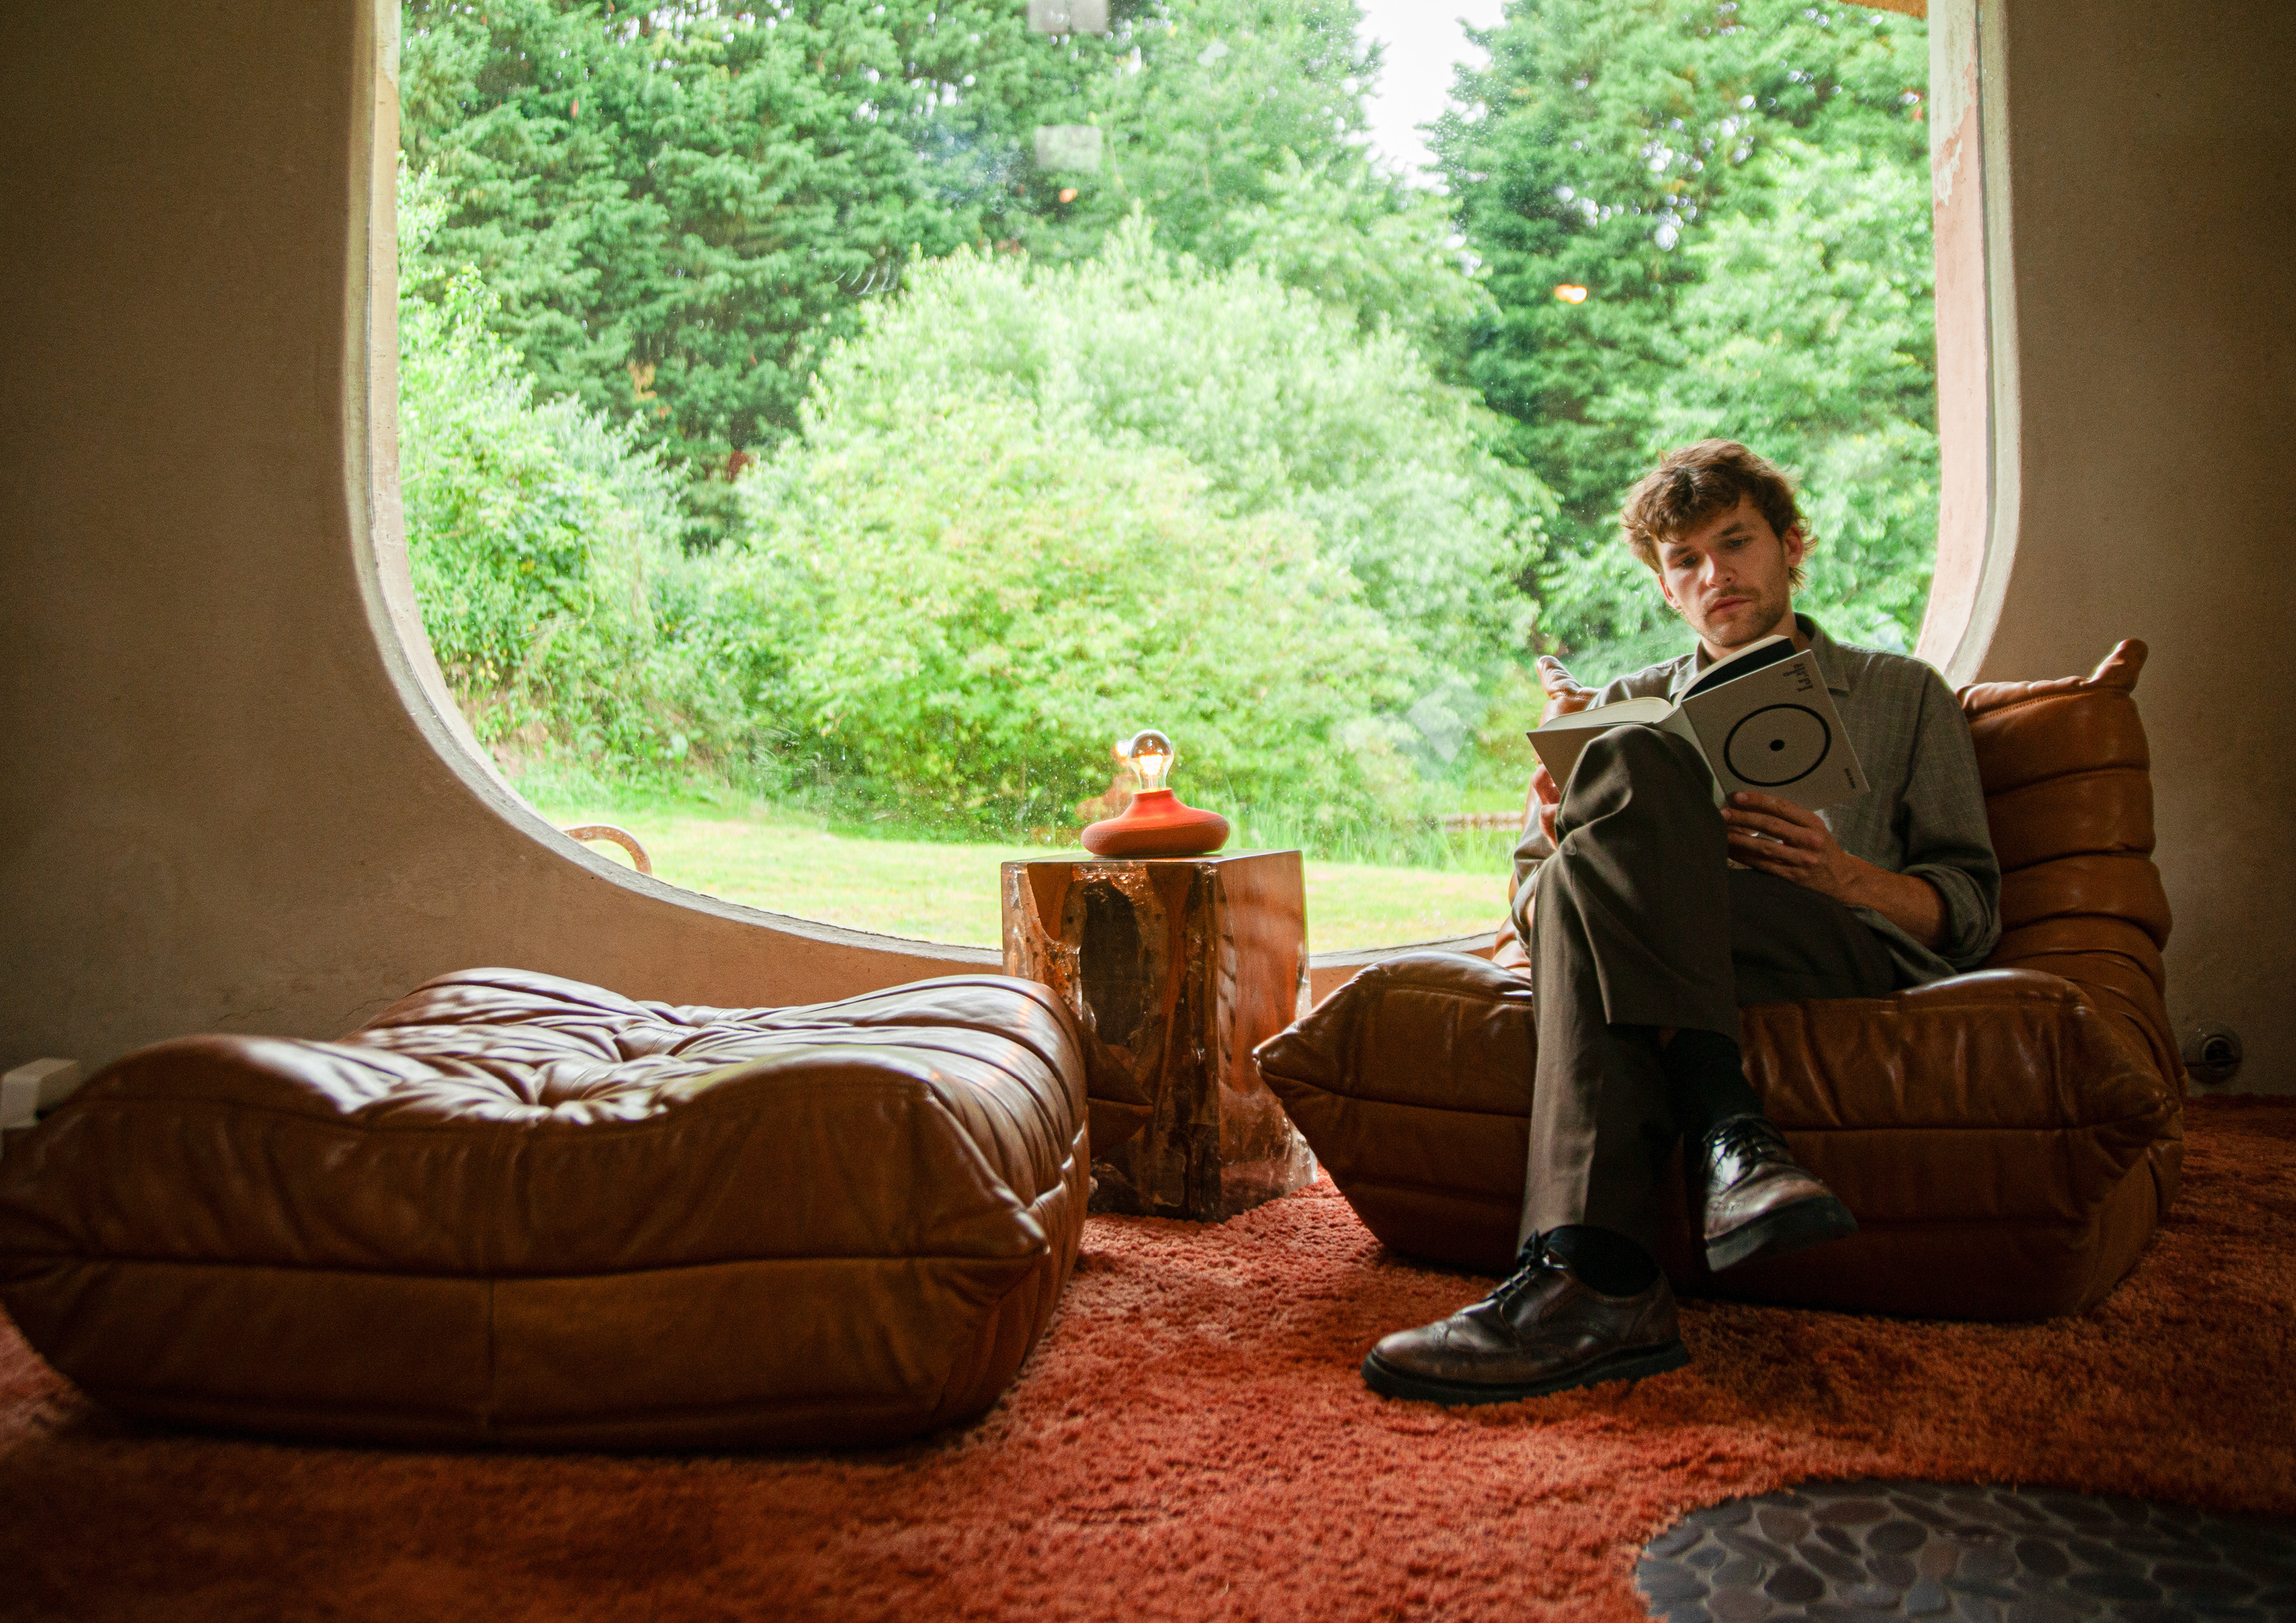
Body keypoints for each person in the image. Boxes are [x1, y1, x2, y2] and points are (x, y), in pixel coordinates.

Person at [1361, 439, 2001, 1406]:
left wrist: (1845, 876)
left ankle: (1594, 1269)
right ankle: (1720, 1151)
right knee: (1621, 779)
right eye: (1686, 560)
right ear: (1665, 588)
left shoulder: (1903, 692)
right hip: (1677, 956)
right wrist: (1563, 830)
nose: (1715, 575)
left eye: (1736, 543)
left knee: (1607, 834)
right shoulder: (1623, 704)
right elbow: (1537, 904)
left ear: (1791, 546)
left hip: (1822, 941)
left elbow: (1971, 912)